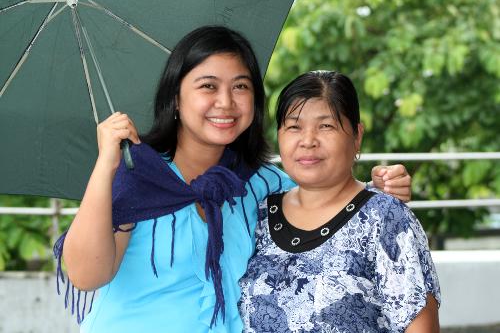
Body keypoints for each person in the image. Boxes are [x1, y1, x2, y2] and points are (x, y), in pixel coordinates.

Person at [55, 27, 411, 333]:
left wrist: (376, 191)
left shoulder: (265, 185)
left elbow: (331, 204)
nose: (225, 102)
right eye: (208, 86)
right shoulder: (139, 175)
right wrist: (106, 165)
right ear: (176, 99)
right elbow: (86, 275)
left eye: (240, 87)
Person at [239, 71, 440, 333]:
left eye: (326, 126)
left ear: (357, 136)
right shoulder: (259, 214)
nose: (308, 141)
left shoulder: (384, 218)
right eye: (294, 126)